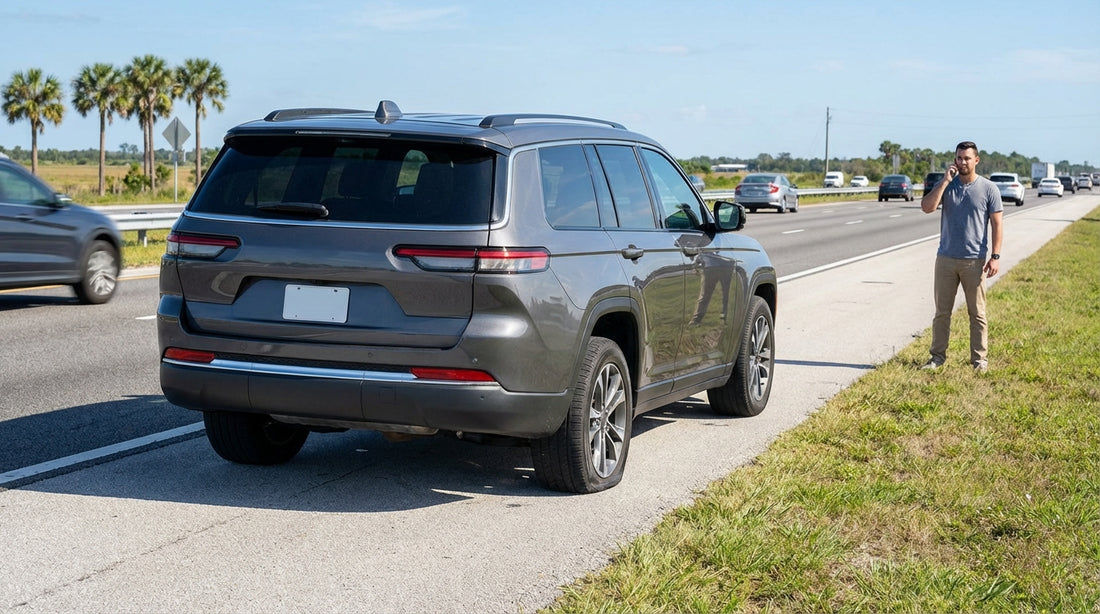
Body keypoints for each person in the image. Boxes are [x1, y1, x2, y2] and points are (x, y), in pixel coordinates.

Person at [919, 141, 1004, 373]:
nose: (962, 162)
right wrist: (945, 181)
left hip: (974, 261)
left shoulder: (989, 189)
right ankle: (937, 358)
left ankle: (979, 361)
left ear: (976, 160)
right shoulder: (947, 185)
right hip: (946, 258)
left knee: (977, 313)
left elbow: (997, 225)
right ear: (954, 160)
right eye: (959, 158)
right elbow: (926, 207)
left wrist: (995, 256)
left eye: (967, 158)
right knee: (941, 312)